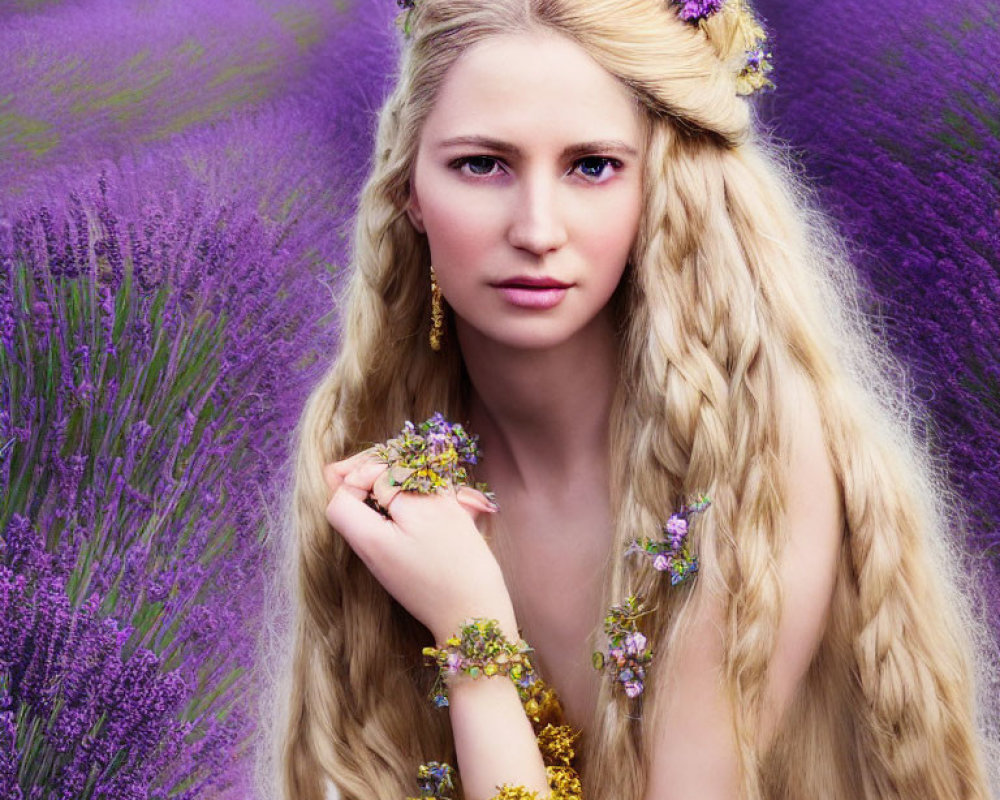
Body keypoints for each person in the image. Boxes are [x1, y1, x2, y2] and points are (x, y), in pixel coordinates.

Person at [263, 1, 998, 798]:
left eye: (592, 166)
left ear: (660, 185)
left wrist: (471, 636)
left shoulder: (751, 454)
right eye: (483, 164)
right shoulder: (369, 446)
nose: (538, 229)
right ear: (410, 188)